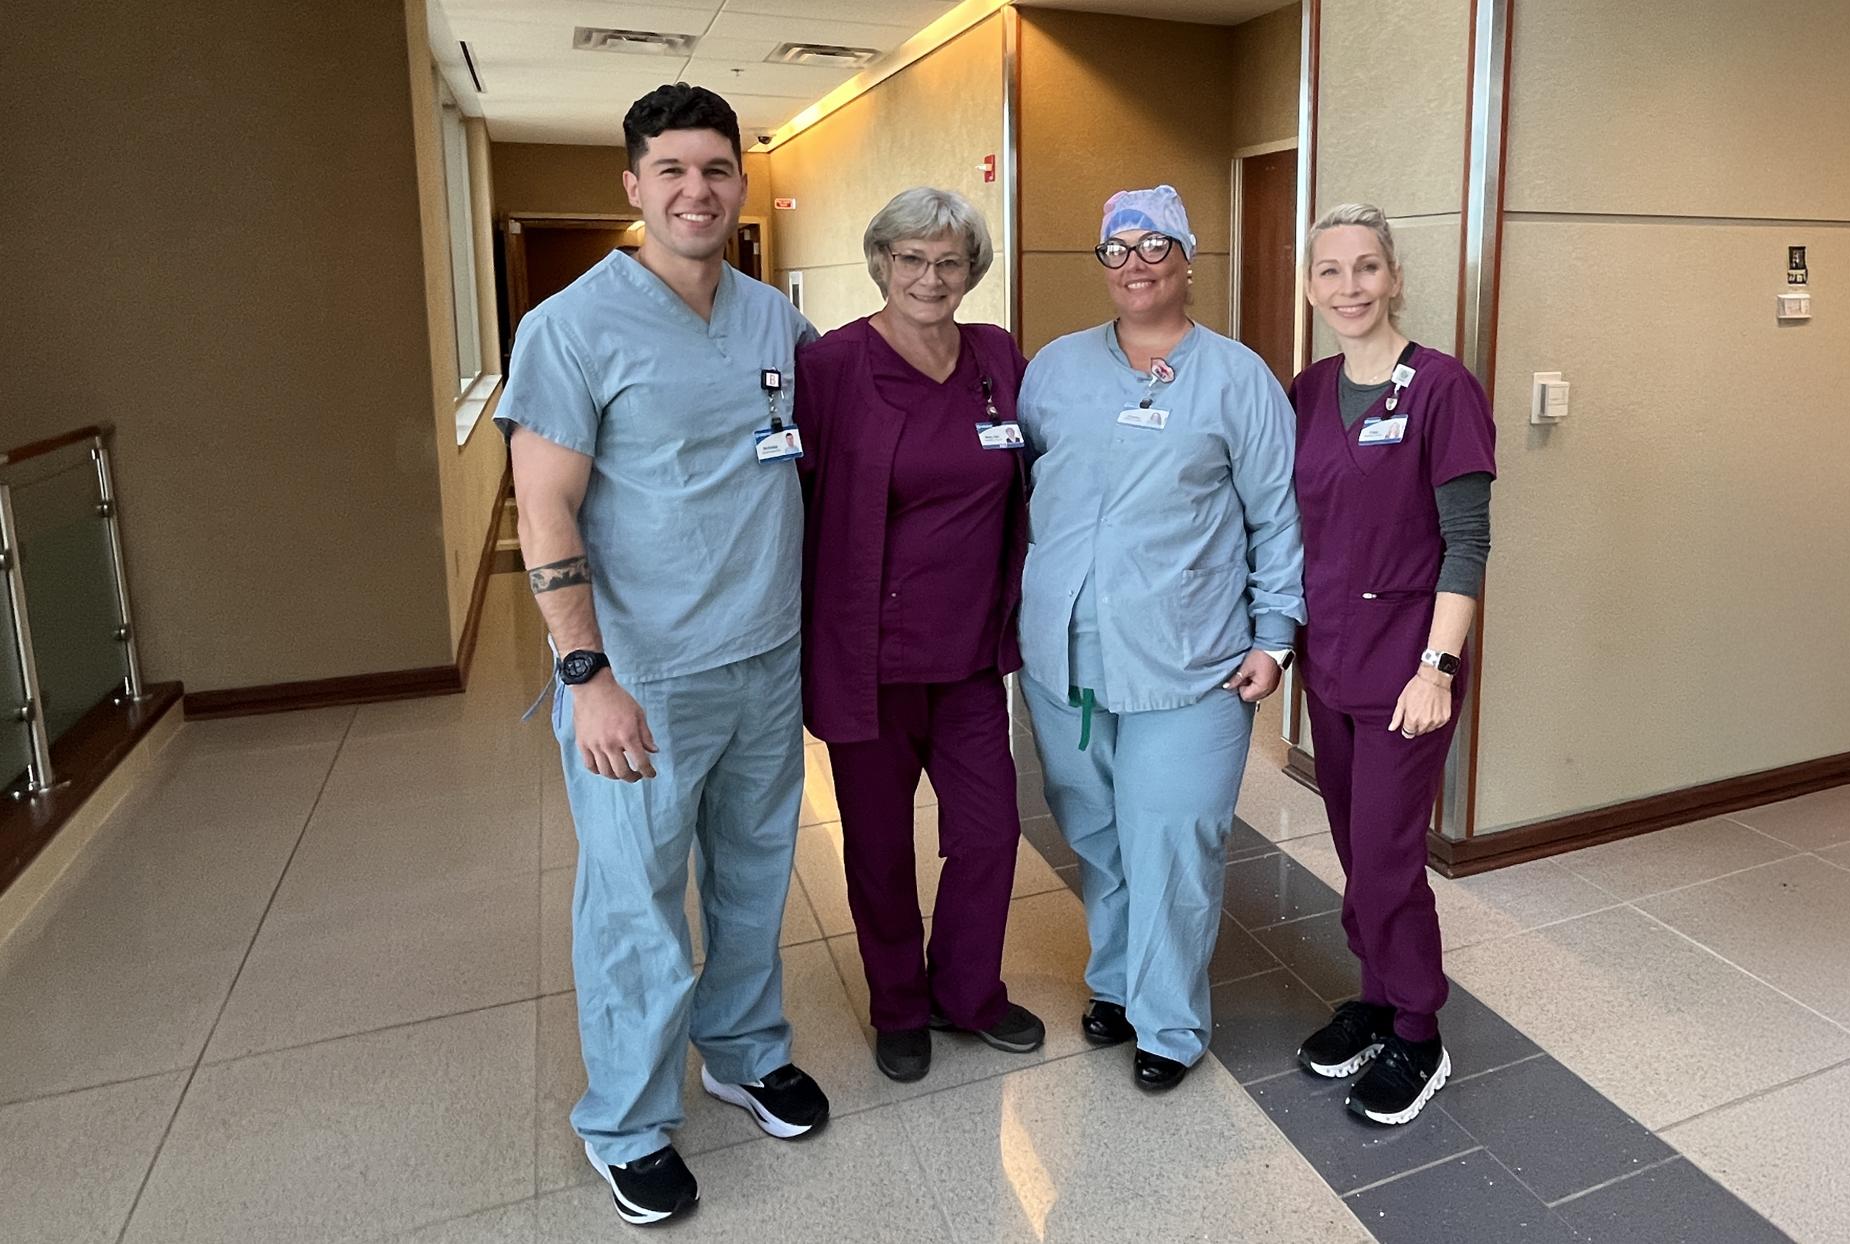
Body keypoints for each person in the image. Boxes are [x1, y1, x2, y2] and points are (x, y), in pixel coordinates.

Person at [496, 83, 829, 1228]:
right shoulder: (571, 327)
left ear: (741, 182)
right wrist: (586, 675)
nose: (697, 189)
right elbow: (546, 513)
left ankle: (740, 1048)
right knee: (636, 898)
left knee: (749, 870)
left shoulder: (773, 318)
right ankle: (627, 1118)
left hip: (764, 655)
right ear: (633, 184)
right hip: (644, 675)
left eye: (717, 169)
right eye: (673, 169)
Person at [1019, 185, 1306, 1092]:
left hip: (1194, 661)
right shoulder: (1055, 369)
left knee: (1174, 838)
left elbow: (1278, 515)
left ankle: (1169, 1020)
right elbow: (1019, 489)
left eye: (1157, 246)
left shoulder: (1239, 378)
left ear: (1189, 260)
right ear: (1101, 265)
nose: (1137, 264)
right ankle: (1116, 978)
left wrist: (1275, 635)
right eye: (1119, 248)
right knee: (1098, 832)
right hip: (1067, 659)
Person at [794, 187, 1041, 1083]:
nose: (930, 277)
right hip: (868, 658)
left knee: (989, 832)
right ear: (882, 263)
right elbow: (796, 505)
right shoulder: (833, 367)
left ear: (970, 271)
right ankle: (898, 1002)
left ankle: (967, 993)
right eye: (911, 259)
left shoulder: (997, 356)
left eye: (948, 261)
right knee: (879, 844)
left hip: (972, 656)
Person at [1289, 203, 1496, 1126]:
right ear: (1310, 286)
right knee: (1351, 844)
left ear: (1396, 276)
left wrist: (1439, 667)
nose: (1349, 288)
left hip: (1410, 667)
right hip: (1327, 661)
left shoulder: (1443, 388)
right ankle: (1374, 996)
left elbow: (1467, 542)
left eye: (1366, 268)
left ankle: (1418, 1028)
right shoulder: (1307, 389)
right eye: (1330, 272)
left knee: (1384, 856)